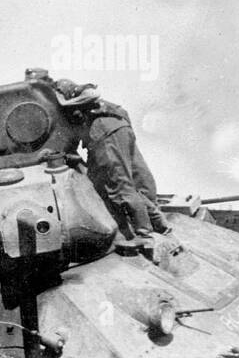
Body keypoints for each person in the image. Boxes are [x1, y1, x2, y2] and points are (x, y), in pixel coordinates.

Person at [54, 80, 170, 251]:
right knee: (132, 182)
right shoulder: (99, 106)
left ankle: (144, 236)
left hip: (105, 136)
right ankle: (159, 224)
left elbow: (71, 132)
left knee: (119, 186)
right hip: (118, 130)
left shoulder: (70, 107)